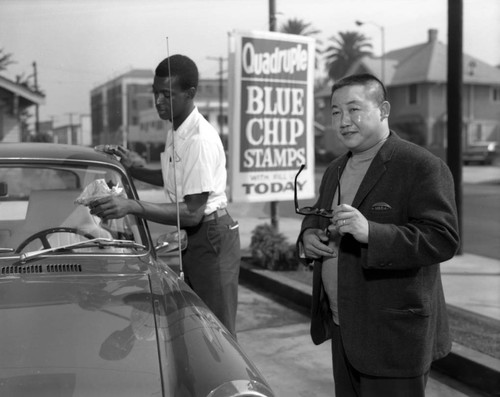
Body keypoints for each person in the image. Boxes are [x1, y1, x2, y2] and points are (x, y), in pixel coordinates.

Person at [297, 73, 460, 396]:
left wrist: (370, 231)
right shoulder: (335, 170)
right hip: (344, 329)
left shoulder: (421, 166)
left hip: (392, 339)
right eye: (335, 112)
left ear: (383, 110)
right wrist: (308, 237)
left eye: (354, 109)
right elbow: (318, 216)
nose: (343, 121)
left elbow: (441, 238)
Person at [90, 54, 241, 337]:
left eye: (167, 95)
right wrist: (132, 169)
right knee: (197, 322)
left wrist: (131, 205)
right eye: (156, 93)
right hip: (198, 235)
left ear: (190, 93)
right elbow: (173, 179)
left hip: (212, 236)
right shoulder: (177, 129)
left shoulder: (198, 139)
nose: (158, 101)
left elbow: (192, 211)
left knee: (218, 330)